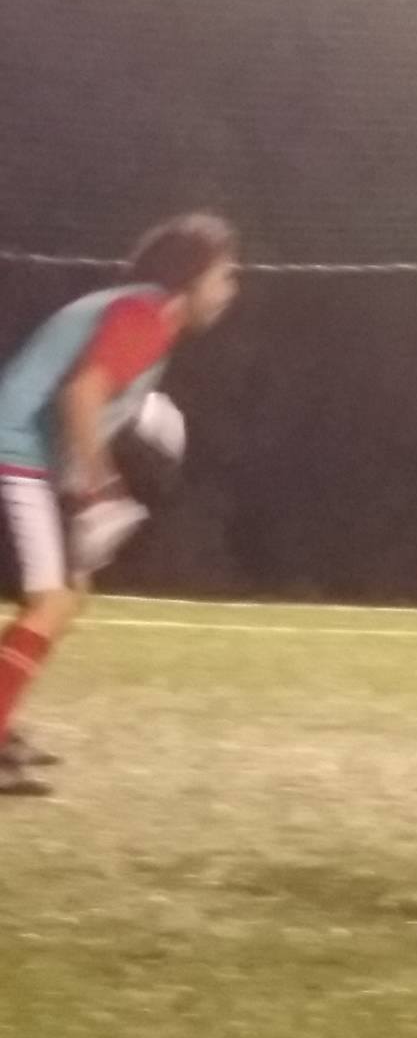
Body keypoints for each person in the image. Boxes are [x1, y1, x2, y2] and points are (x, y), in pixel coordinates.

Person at [0, 212, 238, 797]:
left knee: (68, 594)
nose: (230, 290)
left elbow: (92, 395)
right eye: (225, 275)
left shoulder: (140, 312)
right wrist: (100, 488)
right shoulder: (147, 315)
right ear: (192, 276)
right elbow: (82, 393)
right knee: (52, 601)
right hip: (14, 453)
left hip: (28, 455)